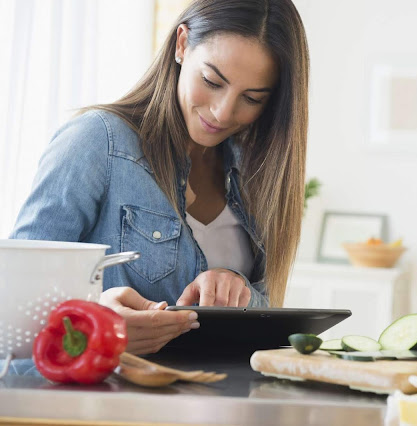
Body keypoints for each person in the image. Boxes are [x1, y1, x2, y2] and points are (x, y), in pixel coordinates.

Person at [10, 0, 309, 356]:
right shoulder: (98, 141)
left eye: (251, 98)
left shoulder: (257, 173)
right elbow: (16, 301)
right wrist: (100, 328)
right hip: (110, 404)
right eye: (212, 81)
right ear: (182, 44)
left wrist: (239, 290)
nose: (223, 112)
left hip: (225, 401)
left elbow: (268, 314)